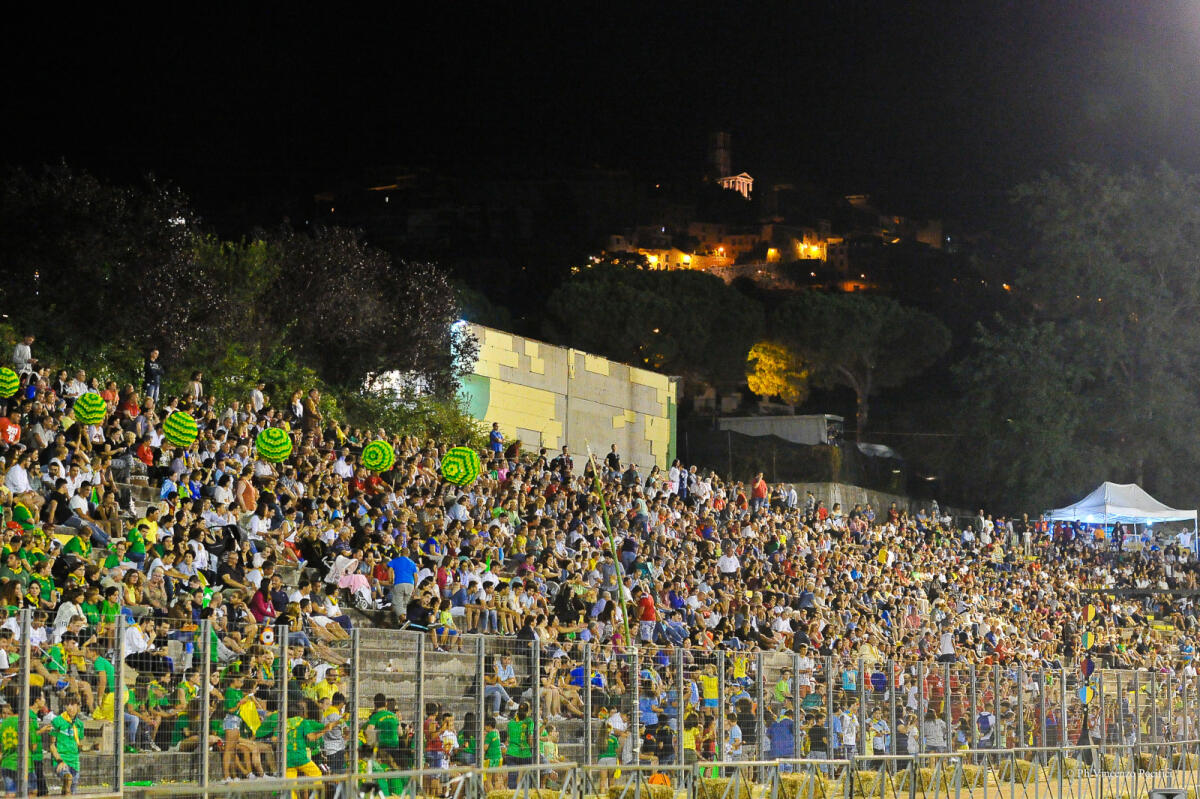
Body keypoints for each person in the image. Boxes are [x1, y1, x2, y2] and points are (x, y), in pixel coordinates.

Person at [50, 694, 84, 795]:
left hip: (74, 762)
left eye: (72, 704)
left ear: (78, 706)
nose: (69, 707)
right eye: (67, 704)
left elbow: (78, 744)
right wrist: (59, 761)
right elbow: (52, 745)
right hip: (61, 760)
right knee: (68, 778)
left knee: (70, 792)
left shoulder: (80, 724)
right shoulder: (57, 721)